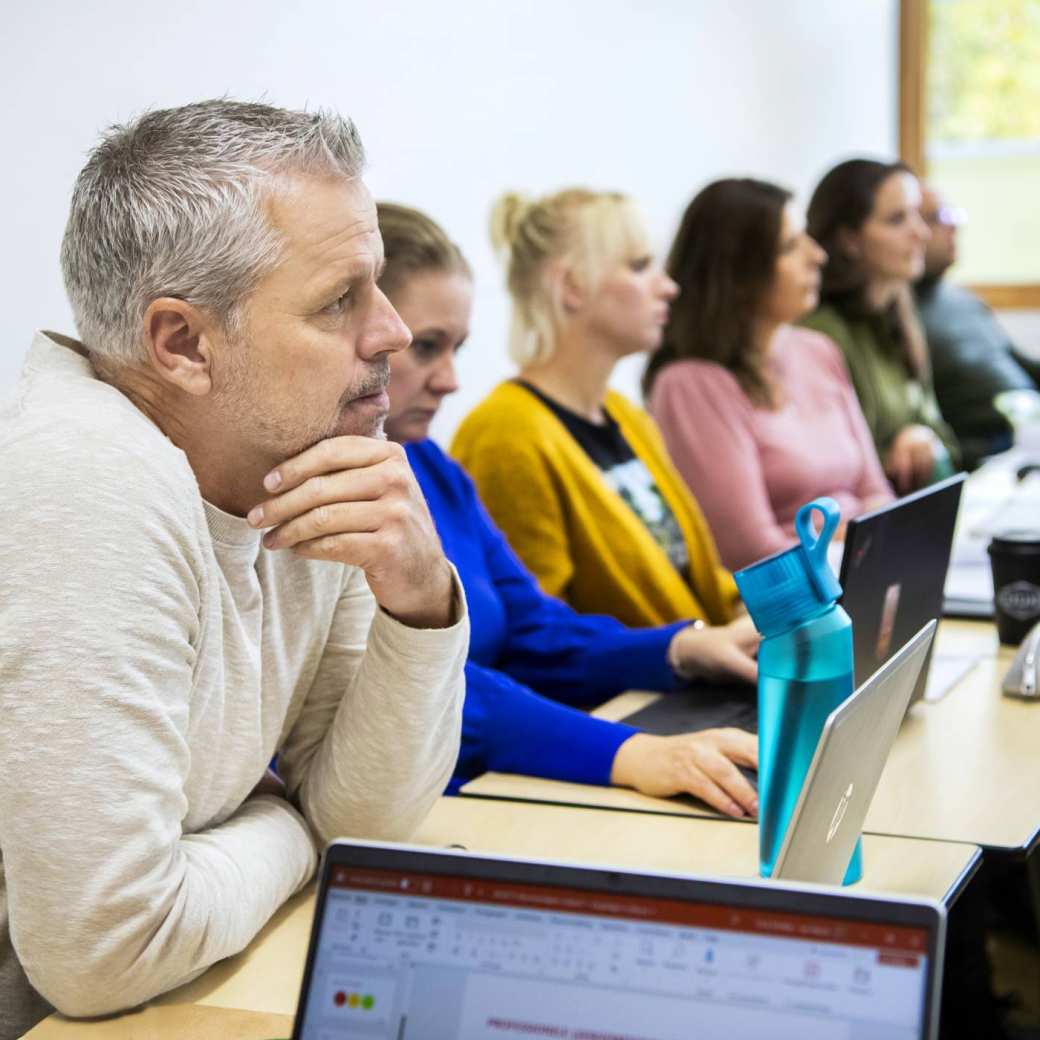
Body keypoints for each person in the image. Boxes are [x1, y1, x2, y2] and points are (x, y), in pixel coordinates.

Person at [0, 101, 468, 1038]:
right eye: (340, 299)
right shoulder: (82, 476)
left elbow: (365, 826)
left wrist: (420, 604)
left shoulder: (302, 453)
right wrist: (292, 829)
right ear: (182, 345)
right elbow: (104, 947)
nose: (390, 334)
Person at [377, 200, 760, 818]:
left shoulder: (432, 468)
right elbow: (427, 686)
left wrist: (680, 649)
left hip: (505, 772)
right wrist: (629, 751)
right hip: (446, 800)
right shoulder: (335, 493)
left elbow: (535, 629)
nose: (450, 379)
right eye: (426, 347)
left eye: (457, 348)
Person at [450, 188, 742, 630]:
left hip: (696, 675)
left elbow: (692, 581)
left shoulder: (625, 415)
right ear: (571, 287)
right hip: (627, 695)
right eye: (640, 266)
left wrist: (758, 614)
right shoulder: (504, 434)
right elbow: (541, 632)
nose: (668, 287)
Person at [643, 178, 893, 572]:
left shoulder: (818, 349)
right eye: (791, 246)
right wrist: (857, 537)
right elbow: (749, 549)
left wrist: (862, 540)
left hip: (858, 576)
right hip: (790, 608)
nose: (818, 256)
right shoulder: (689, 384)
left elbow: (876, 491)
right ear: (739, 274)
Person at [801, 158, 960, 493]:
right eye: (897, 219)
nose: (921, 233)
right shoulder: (821, 333)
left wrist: (923, 436)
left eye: (917, 214)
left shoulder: (899, 314)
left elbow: (945, 440)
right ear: (849, 240)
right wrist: (902, 448)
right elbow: (839, 466)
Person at [915, 184, 1040, 468]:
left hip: (1029, 433)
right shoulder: (900, 316)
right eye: (938, 218)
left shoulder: (962, 300)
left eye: (952, 216)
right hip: (993, 452)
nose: (953, 228)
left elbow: (1019, 363)